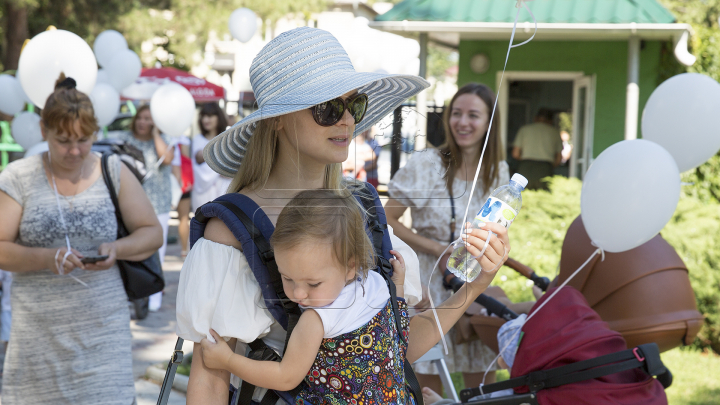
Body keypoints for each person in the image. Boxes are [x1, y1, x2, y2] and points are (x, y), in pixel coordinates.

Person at [176, 27, 511, 405]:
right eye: (328, 108)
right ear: (277, 119)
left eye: (354, 105)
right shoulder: (232, 229)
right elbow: (209, 379)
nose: (347, 121)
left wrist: (479, 283)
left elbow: (396, 348)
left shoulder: (363, 208)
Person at [0, 75, 162, 404]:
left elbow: (152, 233)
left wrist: (117, 249)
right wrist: (46, 259)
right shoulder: (20, 177)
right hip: (37, 340)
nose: (75, 151)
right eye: (63, 141)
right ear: (43, 131)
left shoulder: (113, 170)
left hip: (104, 336)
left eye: (84, 140)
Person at [199, 189, 410, 403]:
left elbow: (285, 377)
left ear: (350, 267)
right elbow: (399, 328)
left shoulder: (317, 319)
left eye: (313, 283)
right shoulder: (377, 283)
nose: (298, 293)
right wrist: (397, 285)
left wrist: (227, 360)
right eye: (286, 277)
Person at [386, 83, 510, 393]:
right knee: (427, 379)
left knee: (482, 377)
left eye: (473, 115)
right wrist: (439, 249)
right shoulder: (427, 164)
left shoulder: (498, 171)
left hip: (473, 275)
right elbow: (387, 218)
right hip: (429, 278)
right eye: (456, 113)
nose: (463, 122)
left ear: (489, 122)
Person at [112, 104, 174, 311]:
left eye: (149, 119)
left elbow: (168, 159)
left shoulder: (164, 141)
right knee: (131, 247)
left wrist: (156, 134)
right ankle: (131, 293)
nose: (143, 122)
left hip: (158, 203)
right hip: (129, 205)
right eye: (140, 117)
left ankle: (153, 297)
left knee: (157, 249)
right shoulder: (125, 139)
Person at [191, 102, 231, 211]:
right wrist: (221, 169)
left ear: (218, 117)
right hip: (202, 192)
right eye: (203, 116)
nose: (205, 120)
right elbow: (199, 158)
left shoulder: (228, 137)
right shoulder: (198, 139)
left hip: (224, 190)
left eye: (209, 116)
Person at [511, 108, 562, 190]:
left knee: (522, 196)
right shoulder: (554, 132)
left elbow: (515, 154)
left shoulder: (524, 129)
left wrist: (526, 160)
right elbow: (559, 159)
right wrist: (548, 166)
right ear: (551, 121)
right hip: (545, 168)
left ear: (535, 118)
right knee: (542, 198)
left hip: (525, 167)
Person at [172, 136, 193, 257]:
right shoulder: (182, 139)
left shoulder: (164, 136)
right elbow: (186, 159)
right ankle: (184, 250)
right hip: (181, 183)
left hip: (170, 182)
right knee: (183, 218)